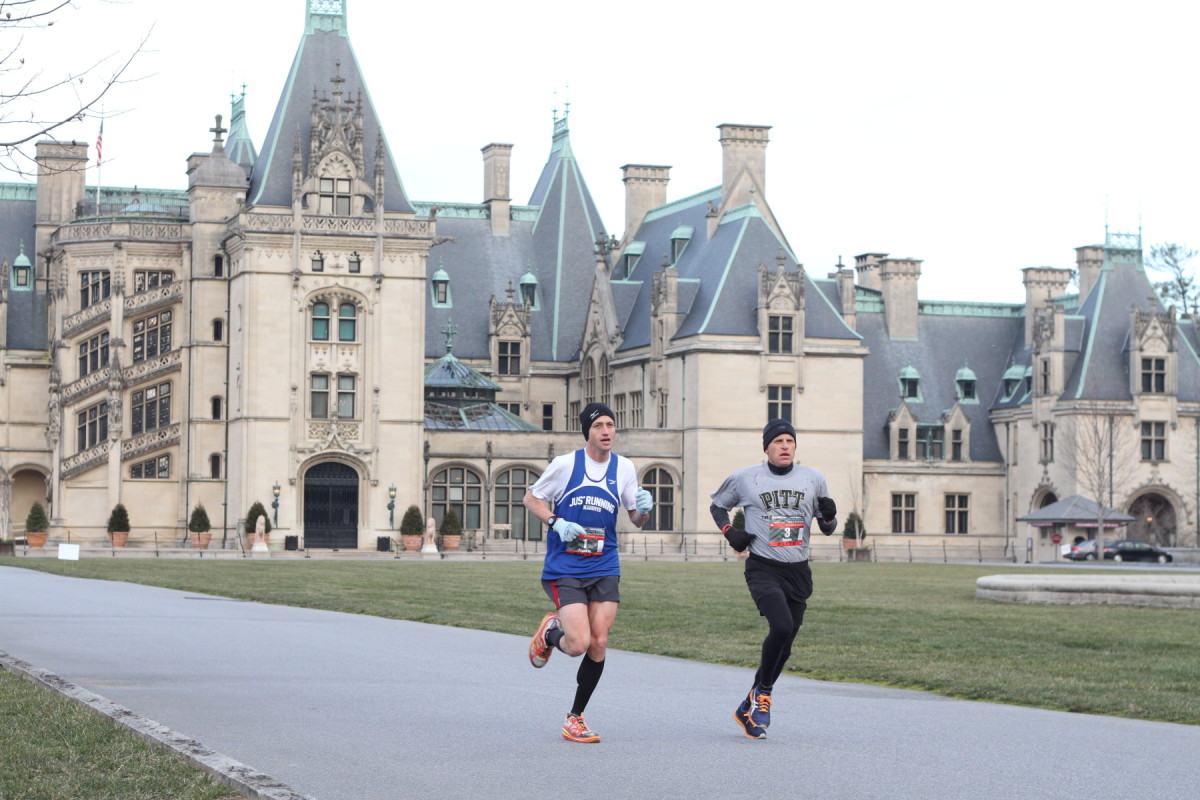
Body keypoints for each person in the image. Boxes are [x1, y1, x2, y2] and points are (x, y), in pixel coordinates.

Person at [523, 401, 653, 743]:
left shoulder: (624, 468)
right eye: (599, 426)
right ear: (588, 432)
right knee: (578, 644)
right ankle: (551, 634)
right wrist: (556, 521)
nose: (607, 431)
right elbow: (531, 499)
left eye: (611, 425)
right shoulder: (566, 465)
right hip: (565, 567)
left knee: (600, 641)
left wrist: (643, 511)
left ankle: (575, 717)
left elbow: (636, 521)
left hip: (605, 564)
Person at [709, 418, 838, 739]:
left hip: (798, 571)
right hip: (763, 567)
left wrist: (832, 515)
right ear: (766, 447)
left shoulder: (813, 479)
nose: (784, 447)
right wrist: (730, 532)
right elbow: (717, 506)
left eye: (789, 442)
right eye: (778, 441)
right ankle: (763, 696)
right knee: (780, 627)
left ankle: (748, 706)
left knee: (787, 642)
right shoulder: (746, 478)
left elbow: (827, 527)